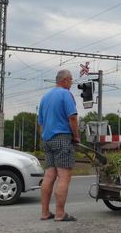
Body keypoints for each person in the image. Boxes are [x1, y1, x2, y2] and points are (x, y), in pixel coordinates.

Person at [38, 69, 80, 222]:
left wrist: (45, 138)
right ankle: (60, 213)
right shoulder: (65, 94)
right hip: (62, 138)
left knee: (49, 175)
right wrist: (76, 136)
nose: (72, 83)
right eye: (71, 80)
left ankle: (44, 212)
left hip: (48, 139)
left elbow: (41, 123)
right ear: (66, 80)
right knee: (64, 176)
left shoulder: (45, 97)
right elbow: (72, 118)